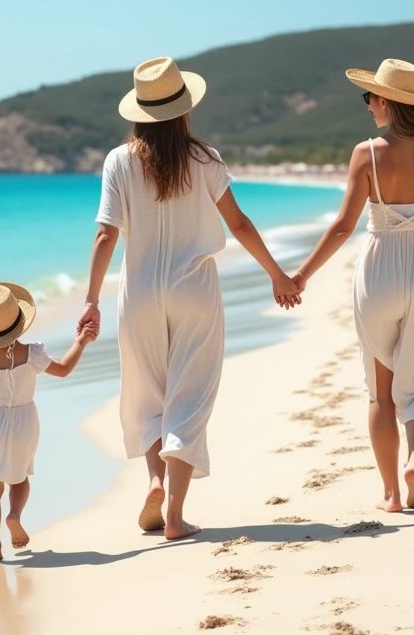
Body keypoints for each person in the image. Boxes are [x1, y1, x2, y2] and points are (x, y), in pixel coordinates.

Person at [80, 57, 299, 540]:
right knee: (189, 396)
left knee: (147, 393)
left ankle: (156, 480)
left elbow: (105, 237)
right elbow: (238, 225)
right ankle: (175, 515)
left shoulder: (119, 160)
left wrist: (91, 299)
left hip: (138, 294)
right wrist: (278, 275)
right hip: (195, 291)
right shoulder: (205, 159)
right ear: (183, 108)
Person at [292, 59, 414, 513]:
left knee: (381, 388)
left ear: (387, 102)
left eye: (369, 97)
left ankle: (392, 493)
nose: (368, 104)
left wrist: (300, 276)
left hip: (379, 274)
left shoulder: (366, 153)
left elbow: (341, 228)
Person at [0, 282, 98, 561]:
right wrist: (81, 342)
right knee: (19, 479)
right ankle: (15, 515)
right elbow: (65, 369)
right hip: (24, 422)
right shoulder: (32, 353)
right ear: (18, 321)